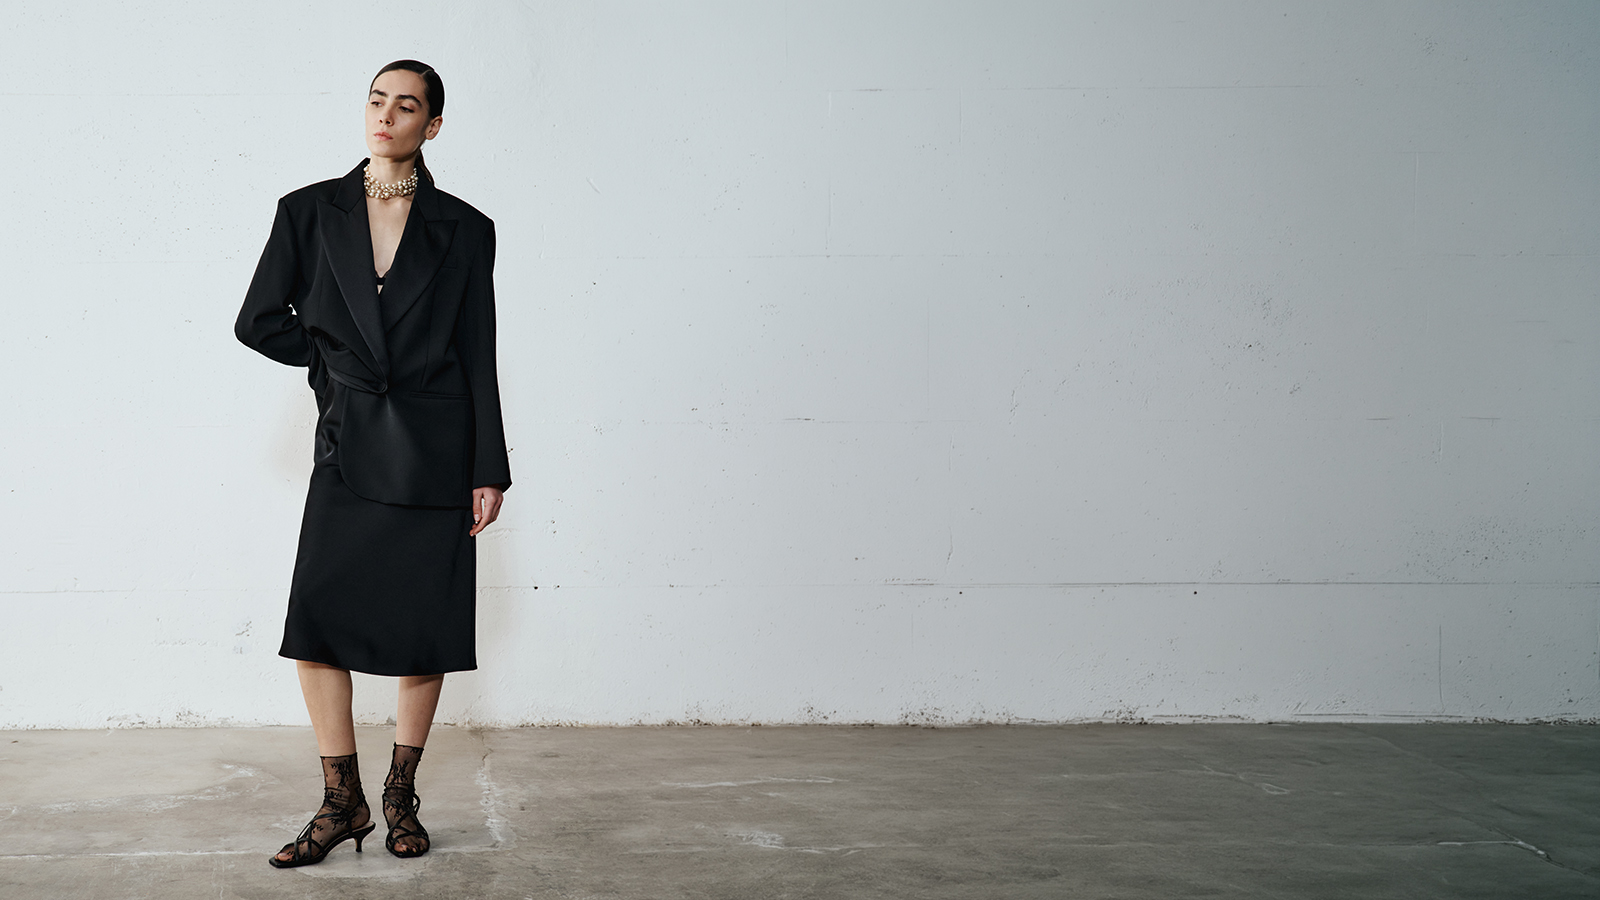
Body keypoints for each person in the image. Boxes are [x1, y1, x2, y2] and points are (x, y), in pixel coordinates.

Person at [235, 59, 511, 868]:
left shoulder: (467, 228)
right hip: (347, 442)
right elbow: (259, 319)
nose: (386, 114)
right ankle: (341, 799)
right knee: (317, 626)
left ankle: (399, 796)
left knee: (425, 629)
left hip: (437, 447)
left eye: (407, 105)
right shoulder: (308, 210)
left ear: (433, 125)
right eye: (377, 99)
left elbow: (479, 351)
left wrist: (488, 466)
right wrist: (332, 367)